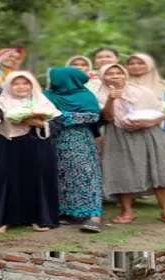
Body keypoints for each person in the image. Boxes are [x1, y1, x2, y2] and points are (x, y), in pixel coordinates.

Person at [95, 64, 165, 226]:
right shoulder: (97, 94)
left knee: (159, 168)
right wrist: (111, 99)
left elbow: (160, 111)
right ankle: (126, 211)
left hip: (149, 133)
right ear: (102, 77)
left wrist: (146, 121)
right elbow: (107, 117)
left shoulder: (143, 91)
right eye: (110, 74)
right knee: (123, 170)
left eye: (119, 73)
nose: (116, 76)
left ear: (125, 75)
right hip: (118, 134)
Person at [0, 71, 61, 233]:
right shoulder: (2, 101)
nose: (21, 87)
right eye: (16, 83)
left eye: (25, 83)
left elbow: (57, 122)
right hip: (8, 146)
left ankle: (39, 218)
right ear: (9, 86)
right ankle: (1, 220)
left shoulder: (42, 101)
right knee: (5, 181)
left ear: (32, 84)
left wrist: (39, 124)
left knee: (37, 181)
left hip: (37, 147)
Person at [44, 67, 103, 232]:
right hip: (53, 140)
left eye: (56, 78)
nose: (53, 81)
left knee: (85, 174)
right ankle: (66, 212)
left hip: (78, 140)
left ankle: (94, 216)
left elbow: (93, 116)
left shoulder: (85, 96)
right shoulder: (48, 95)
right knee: (60, 175)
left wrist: (61, 117)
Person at [126, 53, 165, 200]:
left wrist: (157, 116)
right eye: (132, 63)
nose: (136, 66)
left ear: (150, 65)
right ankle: (132, 195)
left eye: (141, 63)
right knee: (133, 161)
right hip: (131, 128)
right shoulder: (122, 83)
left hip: (163, 127)